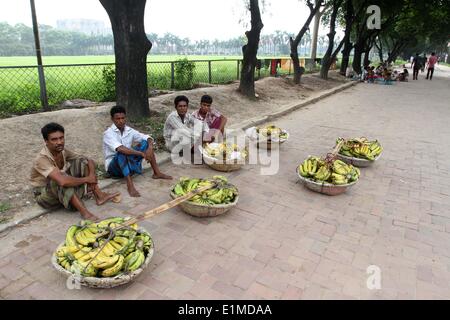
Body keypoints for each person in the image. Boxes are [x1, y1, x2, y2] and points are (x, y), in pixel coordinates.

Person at [31, 123, 120, 220]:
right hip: (44, 196)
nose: (59, 142)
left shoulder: (62, 151)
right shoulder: (41, 158)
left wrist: (91, 176)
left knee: (82, 162)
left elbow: (88, 160)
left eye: (61, 138)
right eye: (54, 139)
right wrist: (87, 179)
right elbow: (62, 181)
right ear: (46, 141)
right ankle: (85, 213)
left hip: (59, 191)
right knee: (61, 180)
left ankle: (99, 195)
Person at [103, 106, 172, 198]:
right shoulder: (108, 133)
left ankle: (157, 173)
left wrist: (150, 148)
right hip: (114, 168)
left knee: (145, 143)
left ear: (125, 118)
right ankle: (130, 185)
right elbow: (120, 149)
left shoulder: (129, 130)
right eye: (118, 119)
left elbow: (146, 137)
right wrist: (141, 154)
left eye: (123, 118)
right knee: (121, 153)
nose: (121, 121)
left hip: (127, 161)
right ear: (112, 119)